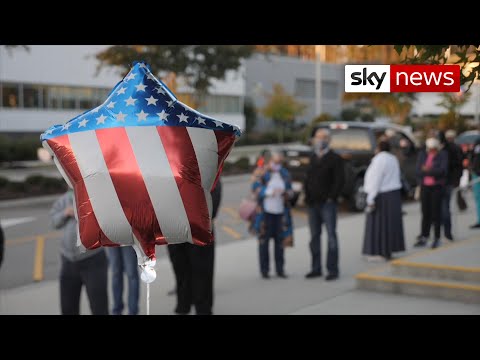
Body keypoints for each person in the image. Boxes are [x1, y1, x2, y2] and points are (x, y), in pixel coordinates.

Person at [167, 179, 222, 315]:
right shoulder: (170, 168)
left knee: (202, 273)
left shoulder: (206, 165)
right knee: (180, 271)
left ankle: (203, 309)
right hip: (176, 230)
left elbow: (214, 194)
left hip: (200, 229)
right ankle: (183, 306)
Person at [50, 190, 109, 315]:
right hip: (68, 262)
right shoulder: (64, 199)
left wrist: (83, 211)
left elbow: (106, 219)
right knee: (68, 308)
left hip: (93, 260)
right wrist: (65, 213)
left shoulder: (94, 195)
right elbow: (54, 222)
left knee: (99, 307)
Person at [304, 128, 345, 281]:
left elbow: (340, 180)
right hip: (313, 204)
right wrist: (306, 196)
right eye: (318, 137)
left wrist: (331, 197)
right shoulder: (313, 156)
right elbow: (308, 178)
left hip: (328, 204)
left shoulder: (335, 158)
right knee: (314, 237)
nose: (320, 140)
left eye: (323, 137)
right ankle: (316, 268)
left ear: (329, 140)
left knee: (331, 236)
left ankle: (332, 269)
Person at [251, 152, 294, 279]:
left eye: (279, 162)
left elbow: (290, 191)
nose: (277, 165)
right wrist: (270, 191)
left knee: (280, 243)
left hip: (281, 213)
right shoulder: (261, 172)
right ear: (270, 161)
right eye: (275, 162)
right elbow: (255, 189)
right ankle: (264, 270)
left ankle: (280, 269)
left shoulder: (285, 173)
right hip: (265, 214)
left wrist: (286, 193)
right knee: (264, 243)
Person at [362, 139, 405, 261]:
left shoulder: (379, 160)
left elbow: (375, 179)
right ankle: (389, 250)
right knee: (390, 225)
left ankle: (380, 251)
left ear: (379, 148)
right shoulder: (393, 159)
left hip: (382, 195)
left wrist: (370, 198)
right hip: (393, 194)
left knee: (380, 225)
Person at [414, 137, 448, 248]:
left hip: (437, 187)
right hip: (425, 187)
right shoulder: (422, 155)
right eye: (429, 149)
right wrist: (430, 171)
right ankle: (424, 236)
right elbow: (418, 171)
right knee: (425, 213)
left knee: (436, 214)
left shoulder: (443, 155)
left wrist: (428, 170)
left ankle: (437, 237)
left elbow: (442, 171)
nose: (431, 151)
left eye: (433, 149)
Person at [438, 130, 463, 240]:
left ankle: (446, 232)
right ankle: (442, 232)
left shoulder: (450, 149)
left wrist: (455, 179)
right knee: (442, 208)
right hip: (441, 183)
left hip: (446, 182)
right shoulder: (451, 148)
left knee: (444, 208)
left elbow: (458, 164)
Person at [105, 245, 140, 315]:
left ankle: (133, 311)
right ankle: (117, 310)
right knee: (116, 273)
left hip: (128, 238)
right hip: (111, 237)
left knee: (131, 274)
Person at [470, 138, 480, 228]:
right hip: (476, 174)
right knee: (478, 198)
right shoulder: (477, 141)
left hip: (477, 173)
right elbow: (473, 156)